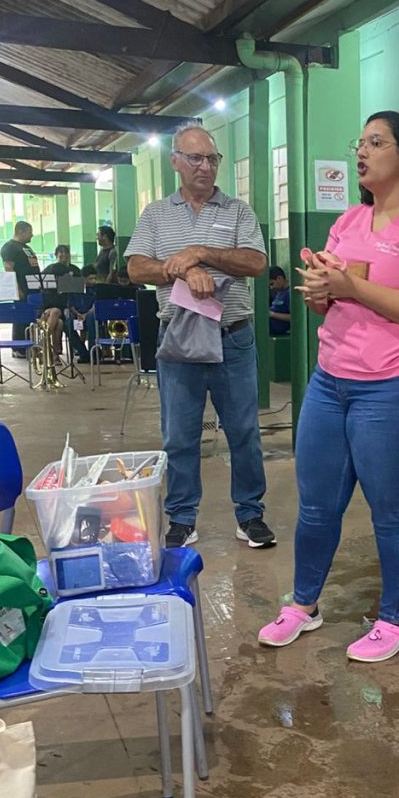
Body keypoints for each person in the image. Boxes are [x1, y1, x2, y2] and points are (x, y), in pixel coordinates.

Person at [258, 111, 399, 663]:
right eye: (361, 143)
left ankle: (397, 619)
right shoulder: (349, 221)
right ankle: (303, 605)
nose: (363, 152)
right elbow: (328, 304)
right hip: (332, 380)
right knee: (316, 505)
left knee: (391, 508)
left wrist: (349, 285)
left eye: (377, 142)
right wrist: (321, 292)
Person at [126, 123, 276, 551]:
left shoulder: (238, 212)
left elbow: (256, 263)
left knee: (243, 431)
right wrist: (183, 270)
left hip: (232, 337)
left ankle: (250, 515)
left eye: (212, 159)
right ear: (175, 161)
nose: (205, 167)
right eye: (195, 158)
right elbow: (136, 268)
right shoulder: (156, 214)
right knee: (179, 435)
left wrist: (201, 252)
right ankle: (182, 518)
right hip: (178, 339)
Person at [0, 220, 40, 357]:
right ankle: (18, 348)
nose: (32, 235)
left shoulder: (26, 248)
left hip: (33, 289)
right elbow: (9, 268)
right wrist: (16, 289)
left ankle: (28, 346)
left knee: (29, 318)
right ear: (20, 231)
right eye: (29, 232)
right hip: (22, 289)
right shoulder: (10, 247)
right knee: (20, 317)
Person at [43, 245, 89, 362]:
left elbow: (79, 289)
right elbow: (43, 285)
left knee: (61, 324)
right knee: (57, 315)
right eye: (60, 252)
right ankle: (49, 348)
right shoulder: (51, 268)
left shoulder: (75, 269)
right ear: (56, 255)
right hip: (51, 305)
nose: (63, 254)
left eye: (65, 252)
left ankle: (51, 351)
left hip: (69, 306)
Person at [268, 266, 291, 335]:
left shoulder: (290, 294)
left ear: (279, 278)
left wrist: (271, 314)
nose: (271, 287)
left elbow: (294, 317)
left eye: (272, 284)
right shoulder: (279, 292)